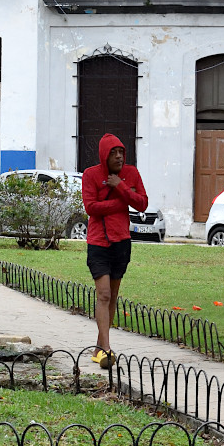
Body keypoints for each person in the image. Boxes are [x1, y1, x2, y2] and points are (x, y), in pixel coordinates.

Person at [82, 134, 148, 368]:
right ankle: (107, 350)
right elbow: (91, 208)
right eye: (114, 152)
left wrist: (120, 186)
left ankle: (99, 346)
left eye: (121, 152)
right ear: (104, 155)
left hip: (121, 241)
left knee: (113, 295)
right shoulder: (91, 175)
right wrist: (120, 203)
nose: (119, 156)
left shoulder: (131, 174)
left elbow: (142, 203)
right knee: (104, 295)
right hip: (98, 242)